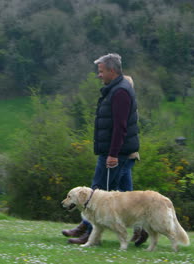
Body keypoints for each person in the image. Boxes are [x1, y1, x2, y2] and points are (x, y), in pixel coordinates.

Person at [62, 53, 147, 245]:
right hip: (121, 151)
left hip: (115, 152)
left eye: (101, 71)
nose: (98, 75)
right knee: (127, 195)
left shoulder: (120, 92)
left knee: (96, 194)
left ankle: (90, 234)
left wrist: (113, 154)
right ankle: (140, 230)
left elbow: (120, 126)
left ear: (112, 70)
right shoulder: (116, 89)